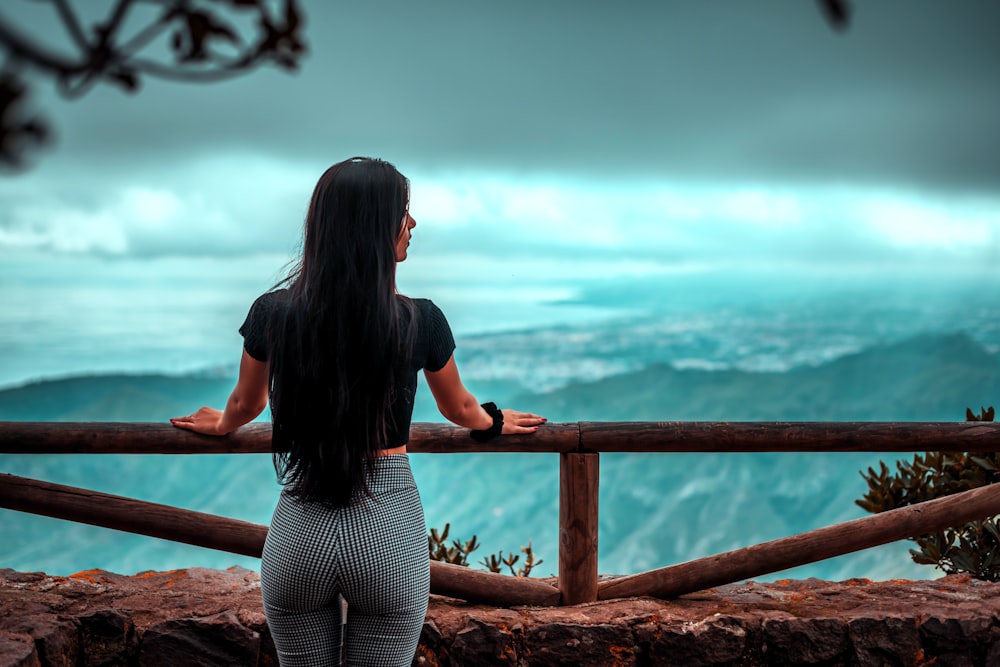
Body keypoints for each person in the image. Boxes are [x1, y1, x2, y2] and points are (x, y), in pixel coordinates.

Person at [170, 157, 546, 666]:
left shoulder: (272, 313)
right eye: (403, 213)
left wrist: (219, 423)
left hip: (299, 530)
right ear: (375, 227)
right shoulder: (421, 319)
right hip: (388, 532)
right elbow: (459, 407)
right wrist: (496, 421)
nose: (412, 225)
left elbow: (246, 403)